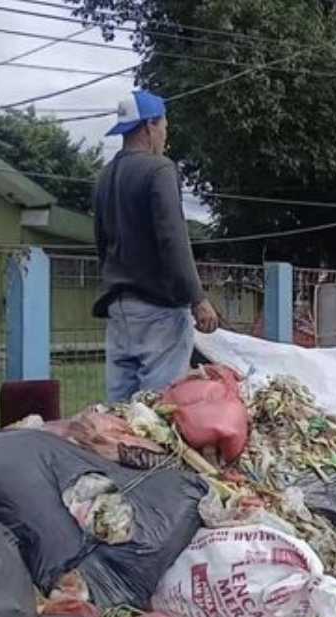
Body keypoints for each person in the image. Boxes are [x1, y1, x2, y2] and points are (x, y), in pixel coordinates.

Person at [92, 90, 219, 402]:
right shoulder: (159, 169)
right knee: (158, 408)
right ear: (150, 126)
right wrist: (197, 298)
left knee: (119, 411)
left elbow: (101, 242)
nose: (165, 133)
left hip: (119, 309)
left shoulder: (104, 176)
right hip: (158, 309)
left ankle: (111, 453)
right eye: (164, 125)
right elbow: (173, 239)